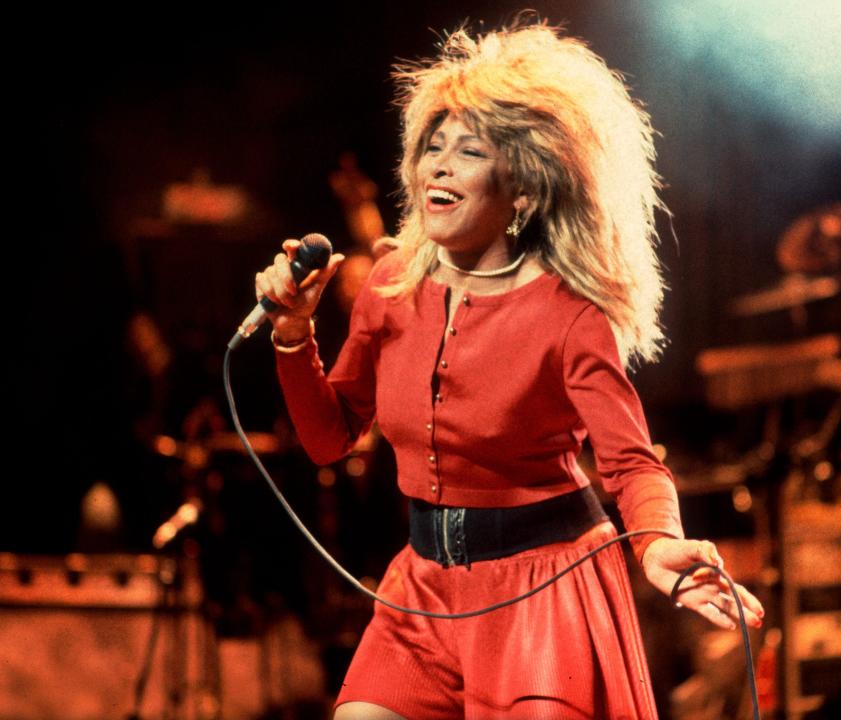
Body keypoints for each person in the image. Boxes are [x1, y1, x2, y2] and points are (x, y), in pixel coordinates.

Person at [255, 19, 764, 720]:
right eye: (432, 147)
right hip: (424, 588)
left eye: (468, 151)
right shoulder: (391, 284)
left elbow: (632, 464)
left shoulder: (569, 314)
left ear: (522, 189)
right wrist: (291, 336)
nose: (438, 165)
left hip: (543, 593)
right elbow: (329, 438)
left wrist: (657, 551)